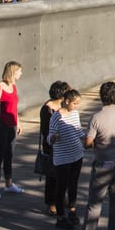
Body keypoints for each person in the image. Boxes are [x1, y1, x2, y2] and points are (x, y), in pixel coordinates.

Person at [71, 80, 115, 230]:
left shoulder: (96, 117)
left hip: (103, 163)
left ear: (102, 97)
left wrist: (97, 145)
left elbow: (88, 142)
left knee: (95, 202)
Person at [0, 60, 24, 199]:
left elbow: (14, 108)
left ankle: (8, 184)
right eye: (19, 71)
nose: (21, 73)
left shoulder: (14, 87)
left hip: (12, 125)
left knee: (9, 155)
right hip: (0, 126)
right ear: (13, 71)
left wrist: (18, 123)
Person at [48, 89, 85, 230]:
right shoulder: (56, 117)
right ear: (67, 101)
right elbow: (50, 135)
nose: (76, 106)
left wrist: (89, 140)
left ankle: (72, 210)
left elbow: (78, 130)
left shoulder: (75, 114)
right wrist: (53, 138)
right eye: (74, 103)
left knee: (73, 184)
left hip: (76, 155)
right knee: (61, 187)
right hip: (63, 158)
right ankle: (60, 217)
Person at [39, 80, 70, 217]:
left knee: (63, 175)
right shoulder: (48, 109)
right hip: (52, 146)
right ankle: (51, 202)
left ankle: (61, 198)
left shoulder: (64, 108)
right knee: (52, 175)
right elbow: (45, 131)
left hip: (64, 146)